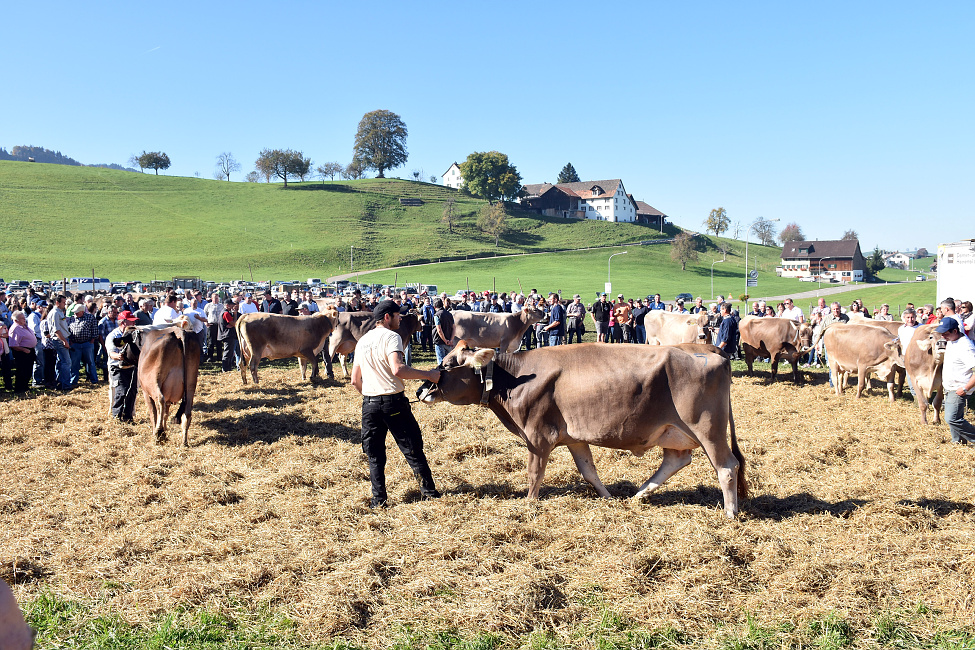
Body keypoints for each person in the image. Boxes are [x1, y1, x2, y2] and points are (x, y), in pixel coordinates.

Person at [351, 300, 442, 508]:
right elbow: (398, 369)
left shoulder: (362, 341)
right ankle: (428, 492)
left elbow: (355, 380)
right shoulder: (392, 337)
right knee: (412, 448)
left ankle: (378, 500)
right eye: (397, 315)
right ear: (387, 317)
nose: (400, 318)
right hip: (393, 403)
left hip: (370, 404)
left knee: (374, 454)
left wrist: (371, 396)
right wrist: (429, 375)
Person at [936, 317, 975, 444]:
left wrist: (966, 388)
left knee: (951, 418)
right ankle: (958, 442)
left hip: (959, 387)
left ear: (954, 331)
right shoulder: (953, 341)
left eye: (945, 333)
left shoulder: (966, 346)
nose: (943, 336)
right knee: (955, 417)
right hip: (950, 386)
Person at [107, 311, 139, 422]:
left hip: (131, 367)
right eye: (132, 321)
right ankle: (117, 417)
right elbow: (111, 353)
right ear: (124, 323)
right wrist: (119, 356)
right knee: (121, 392)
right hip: (117, 368)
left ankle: (128, 417)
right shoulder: (113, 335)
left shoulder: (134, 334)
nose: (134, 324)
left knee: (132, 391)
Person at [67, 302, 99, 387]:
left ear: (82, 311)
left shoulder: (90, 317)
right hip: (75, 344)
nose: (75, 313)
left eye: (77, 312)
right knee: (74, 364)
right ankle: (73, 381)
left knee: (90, 362)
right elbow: (68, 330)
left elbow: (95, 330)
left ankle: (94, 380)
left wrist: (92, 340)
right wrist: (71, 341)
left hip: (87, 343)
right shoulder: (71, 319)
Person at [8, 311, 38, 393]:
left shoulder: (23, 326)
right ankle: (19, 388)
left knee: (28, 370)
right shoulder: (15, 328)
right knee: (22, 370)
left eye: (24, 317)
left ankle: (25, 386)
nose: (24, 319)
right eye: (22, 318)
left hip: (29, 350)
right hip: (22, 352)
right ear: (16, 320)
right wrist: (24, 350)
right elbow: (13, 344)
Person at [218, 299, 239, 372]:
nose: (233, 306)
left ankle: (227, 368)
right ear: (227, 305)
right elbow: (234, 323)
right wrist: (235, 314)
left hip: (226, 334)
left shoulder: (224, 312)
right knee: (227, 353)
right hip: (227, 335)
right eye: (231, 305)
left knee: (229, 353)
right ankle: (225, 369)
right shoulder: (226, 313)